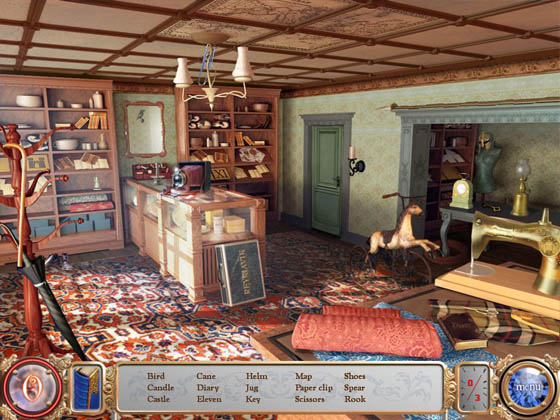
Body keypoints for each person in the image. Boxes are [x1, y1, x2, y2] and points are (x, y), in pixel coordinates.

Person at [473, 132, 502, 197]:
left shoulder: (497, 151)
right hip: (476, 180)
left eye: (485, 142)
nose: (482, 144)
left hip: (489, 182)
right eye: (480, 142)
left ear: (491, 140)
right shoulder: (476, 150)